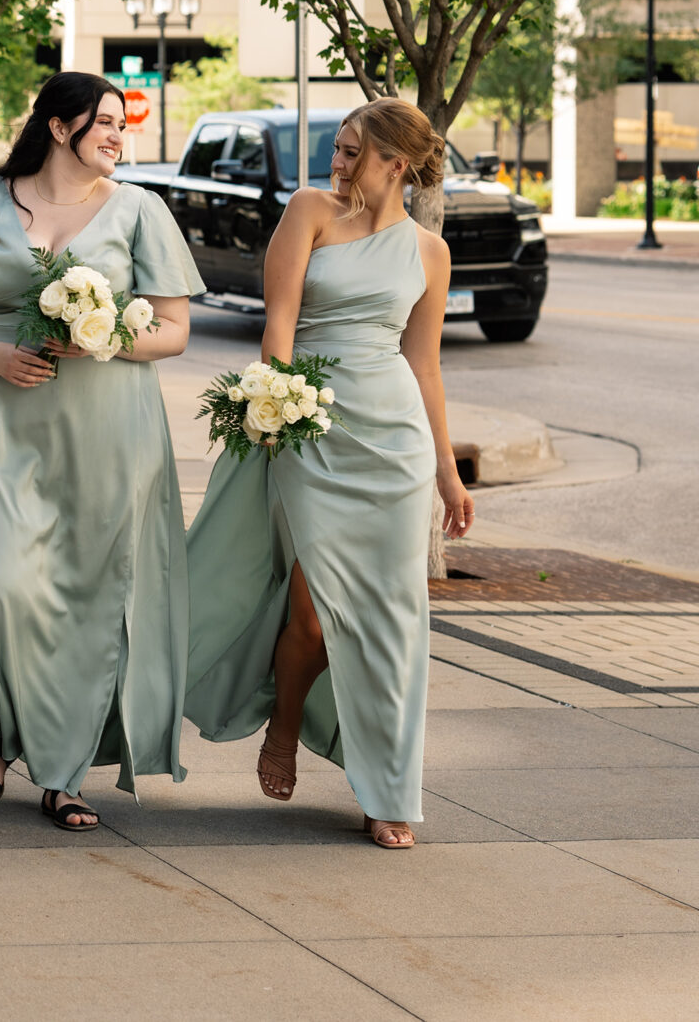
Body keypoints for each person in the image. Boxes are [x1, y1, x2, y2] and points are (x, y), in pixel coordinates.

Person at [0, 73, 203, 829]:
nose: (117, 135)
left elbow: (173, 329)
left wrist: (103, 337)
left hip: (107, 424)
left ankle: (55, 766)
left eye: (121, 124)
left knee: (83, 595)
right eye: (104, 121)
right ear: (58, 124)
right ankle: (9, 733)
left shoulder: (141, 210)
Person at [183, 97, 472, 850]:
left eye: (349, 151)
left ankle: (388, 791)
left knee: (394, 620)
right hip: (309, 428)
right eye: (337, 148)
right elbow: (278, 325)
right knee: (313, 611)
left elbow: (425, 363)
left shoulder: (428, 252)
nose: (336, 163)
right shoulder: (309, 212)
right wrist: (274, 411)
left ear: (394, 164)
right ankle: (283, 724)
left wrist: (447, 471)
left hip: (395, 440)